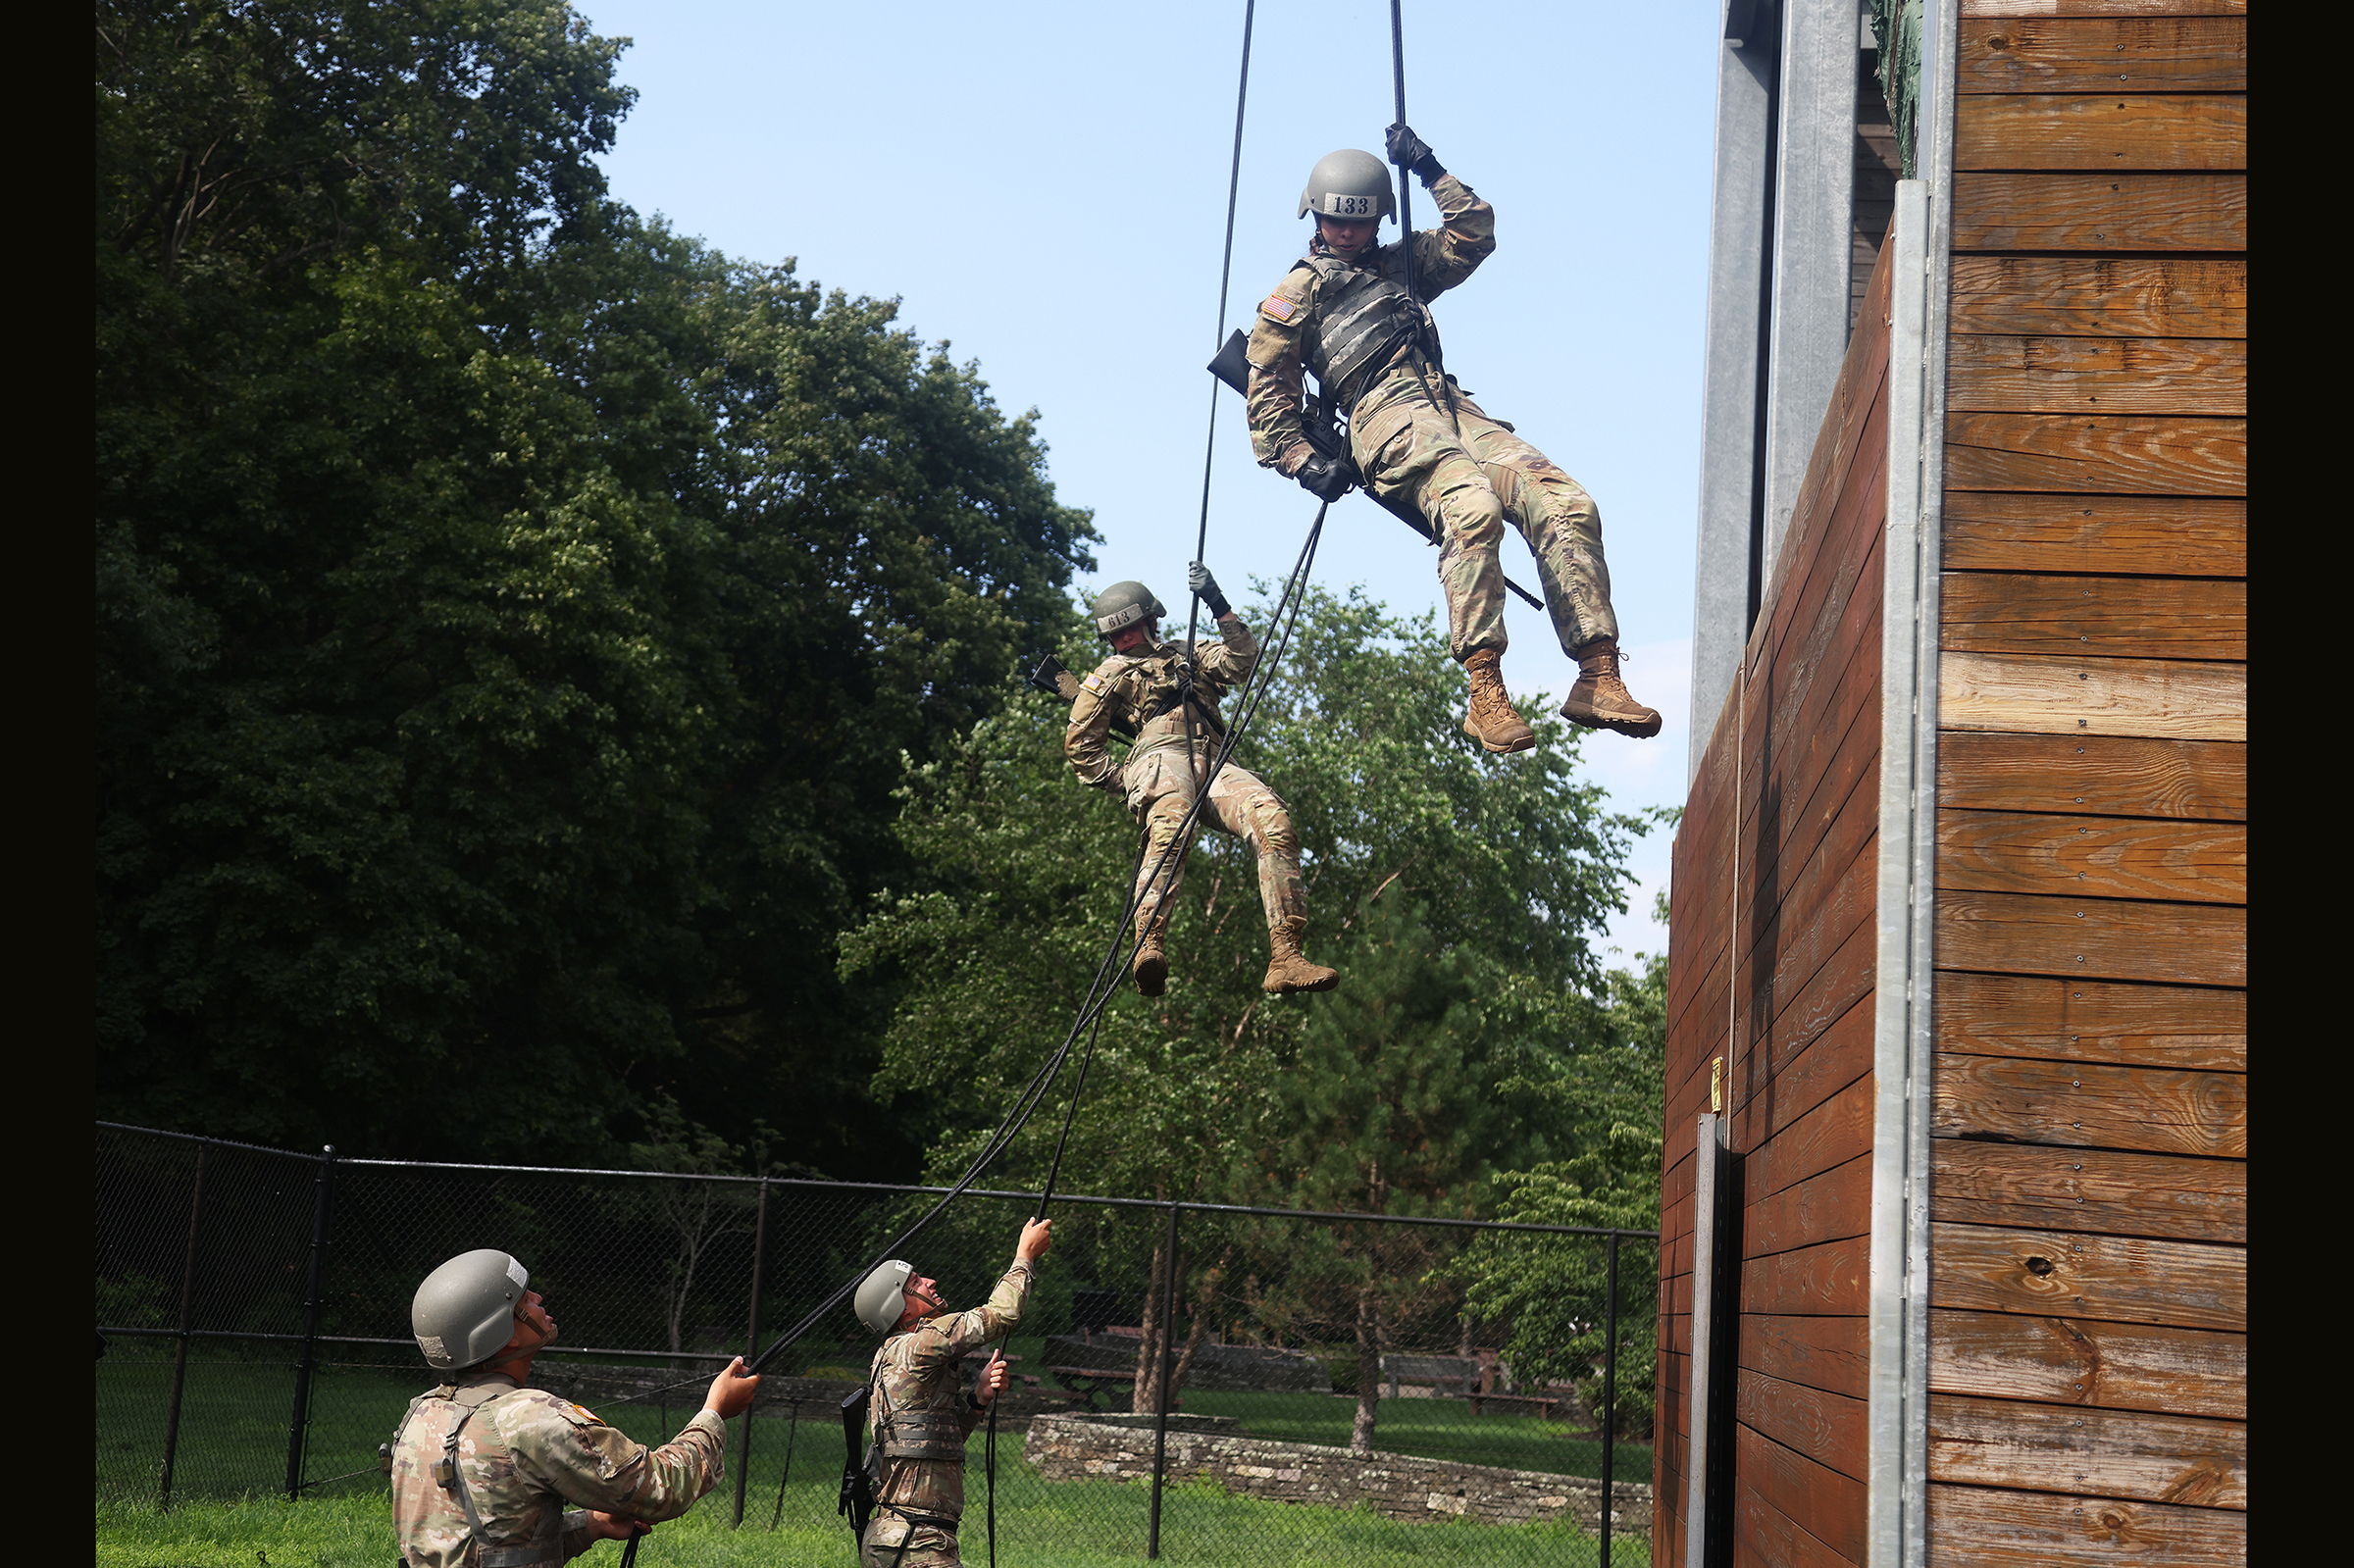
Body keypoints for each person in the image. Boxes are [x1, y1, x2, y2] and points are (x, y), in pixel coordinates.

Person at [1245, 125, 1662, 753]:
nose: (1348, 233)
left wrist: (1430, 170)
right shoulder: (1298, 292)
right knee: (1472, 509)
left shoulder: (1402, 264)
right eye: (1336, 222)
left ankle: (1598, 674)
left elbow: (1472, 235)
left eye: (1359, 223)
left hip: (1452, 404)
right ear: (1317, 216)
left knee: (1565, 501)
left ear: (1379, 219)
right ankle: (1485, 690)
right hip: (1384, 417)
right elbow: (1268, 394)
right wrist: (1304, 462)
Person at [1063, 564, 1340, 998]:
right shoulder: (1111, 671)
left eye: (1132, 628)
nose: (1126, 639)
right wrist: (1126, 781)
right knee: (1173, 825)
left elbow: (1243, 661)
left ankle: (1286, 955)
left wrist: (1218, 603)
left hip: (1213, 760)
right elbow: (1081, 743)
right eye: (1118, 635)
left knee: (1273, 820)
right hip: (1160, 757)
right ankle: (1148, 944)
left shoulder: (1188, 653)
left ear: (1152, 621)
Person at [386, 1247, 760, 1566]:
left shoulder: (421, 1416)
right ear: (501, 1333)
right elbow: (661, 1488)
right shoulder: (530, 1418)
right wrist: (714, 1412)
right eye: (523, 1301)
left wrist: (592, 1524)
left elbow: (486, 1550)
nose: (538, 1300)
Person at [852, 1217, 1055, 1568]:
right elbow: (1002, 1314)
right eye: (915, 1282)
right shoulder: (922, 1343)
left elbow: (931, 1443)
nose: (929, 1282)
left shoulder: (888, 1358)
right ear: (896, 1307)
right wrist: (1025, 1256)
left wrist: (977, 1399)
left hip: (891, 1537)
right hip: (920, 1544)